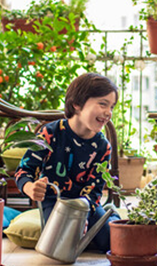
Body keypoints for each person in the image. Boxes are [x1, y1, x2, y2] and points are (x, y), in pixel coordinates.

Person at [15, 73, 120, 252]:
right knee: (59, 243)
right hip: (55, 202)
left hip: (87, 203)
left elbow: (94, 189)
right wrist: (30, 188)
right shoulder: (50, 134)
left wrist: (82, 215)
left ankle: (111, 215)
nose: (108, 112)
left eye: (111, 106)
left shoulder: (103, 147)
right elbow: (24, 171)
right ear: (76, 104)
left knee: (109, 241)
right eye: (103, 104)